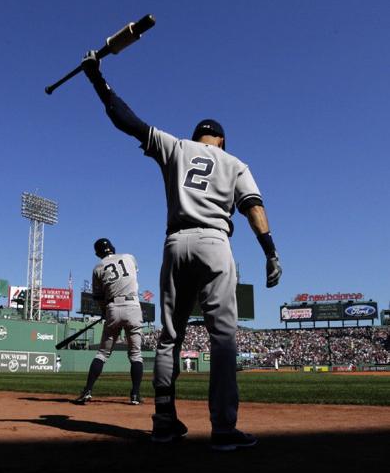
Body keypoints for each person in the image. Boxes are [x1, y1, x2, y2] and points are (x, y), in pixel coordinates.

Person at [81, 52, 282, 450]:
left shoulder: (178, 147)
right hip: (214, 242)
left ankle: (163, 422)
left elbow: (127, 120)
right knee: (223, 338)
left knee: (169, 338)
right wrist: (270, 251)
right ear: (221, 141)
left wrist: (97, 80)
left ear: (196, 137)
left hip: (175, 242)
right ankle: (223, 429)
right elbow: (253, 208)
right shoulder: (235, 162)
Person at [74, 238, 144, 405]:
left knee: (102, 354)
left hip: (113, 306)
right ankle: (135, 395)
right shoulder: (129, 257)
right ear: (113, 247)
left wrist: (106, 312)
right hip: (133, 305)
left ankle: (87, 391)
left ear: (97, 253)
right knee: (135, 355)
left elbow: (98, 297)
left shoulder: (98, 267)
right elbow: (131, 275)